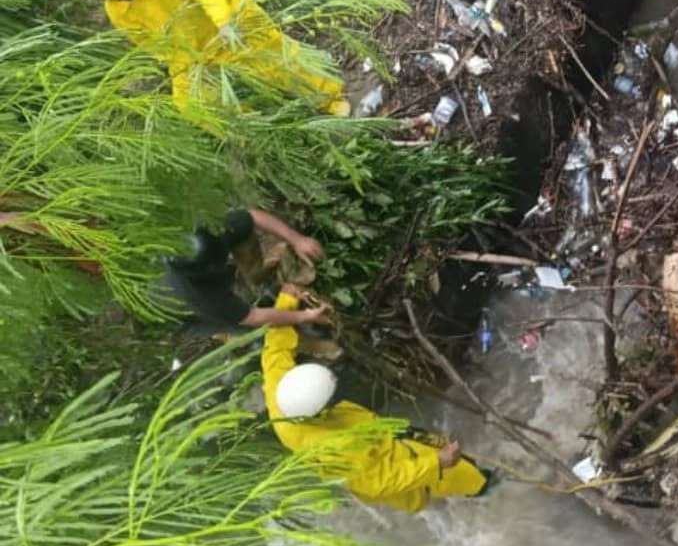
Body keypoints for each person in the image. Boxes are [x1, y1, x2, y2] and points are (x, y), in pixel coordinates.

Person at [261, 287, 491, 512]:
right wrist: (436, 462)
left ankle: (471, 480)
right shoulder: (333, 449)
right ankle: (483, 488)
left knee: (450, 457)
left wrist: (288, 298)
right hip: (396, 466)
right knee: (463, 476)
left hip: (381, 435)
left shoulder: (280, 391)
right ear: (321, 408)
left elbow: (275, 348)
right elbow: (380, 482)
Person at [61, 0, 350, 116]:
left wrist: (224, 22)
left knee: (273, 58)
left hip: (229, 15)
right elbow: (154, 46)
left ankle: (331, 97)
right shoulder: (118, 13)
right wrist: (191, 64)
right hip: (201, 50)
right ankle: (257, 126)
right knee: (188, 104)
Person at [161, 208, 331, 330]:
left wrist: (297, 239)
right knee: (238, 327)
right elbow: (253, 318)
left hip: (208, 260)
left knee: (244, 242)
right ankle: (248, 293)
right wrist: (305, 316)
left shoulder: (209, 230)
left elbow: (252, 217)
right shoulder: (200, 296)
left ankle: (256, 277)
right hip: (188, 307)